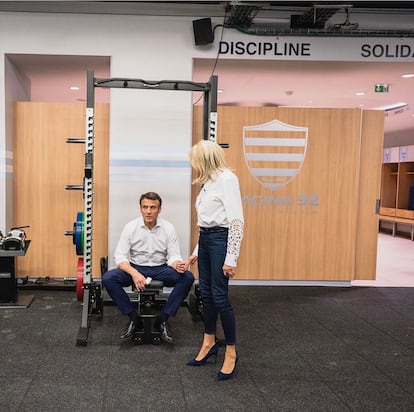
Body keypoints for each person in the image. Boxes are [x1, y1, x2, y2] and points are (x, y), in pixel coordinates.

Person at [186, 140, 244, 381]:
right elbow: (206, 223)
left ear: (205, 159)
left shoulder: (227, 179)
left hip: (221, 241)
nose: (194, 166)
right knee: (206, 294)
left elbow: (236, 222)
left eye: (196, 160)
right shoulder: (207, 182)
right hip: (207, 239)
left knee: (220, 297)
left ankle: (231, 351)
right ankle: (209, 341)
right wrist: (196, 251)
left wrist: (231, 258)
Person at [102, 191, 195, 344]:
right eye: (145, 207)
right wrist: (134, 273)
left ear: (159, 209)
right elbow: (120, 257)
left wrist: (177, 264)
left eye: (153, 207)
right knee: (108, 278)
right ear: (140, 209)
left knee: (188, 277)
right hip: (136, 267)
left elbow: (173, 255)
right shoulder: (130, 227)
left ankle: (163, 319)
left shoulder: (168, 228)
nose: (148, 211)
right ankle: (134, 318)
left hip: (160, 268)